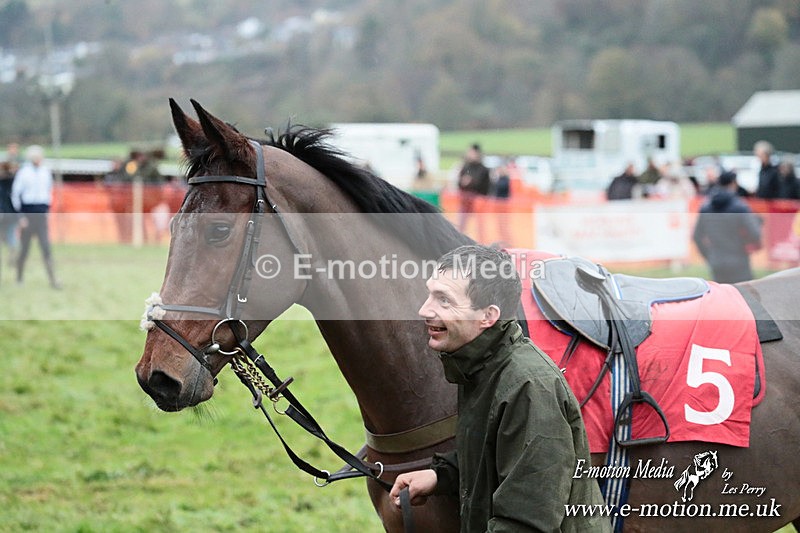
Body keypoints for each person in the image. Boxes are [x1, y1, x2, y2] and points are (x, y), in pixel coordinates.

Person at [389, 245, 610, 532]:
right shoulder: (478, 364)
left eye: (444, 300)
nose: (424, 310)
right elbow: (497, 454)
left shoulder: (529, 387)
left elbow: (528, 521)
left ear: (487, 316)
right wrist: (440, 476)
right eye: (431, 293)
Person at [693, 171, 762, 284]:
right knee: (743, 298)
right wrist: (746, 245)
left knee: (722, 298)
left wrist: (709, 255)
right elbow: (755, 233)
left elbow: (696, 236)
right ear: (733, 183)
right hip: (738, 261)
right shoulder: (740, 207)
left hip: (717, 262)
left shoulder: (706, 207)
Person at [11, 145, 61, 289]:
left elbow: (49, 191)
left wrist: (48, 210)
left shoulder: (45, 172)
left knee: (46, 248)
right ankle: (19, 279)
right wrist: (20, 216)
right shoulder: (24, 172)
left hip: (41, 214)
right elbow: (16, 195)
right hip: (27, 214)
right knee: (24, 249)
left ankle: (53, 280)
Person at [457, 144, 490, 240]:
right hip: (465, 201)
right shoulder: (465, 167)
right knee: (462, 225)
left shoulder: (484, 169)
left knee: (480, 227)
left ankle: (482, 244)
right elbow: (460, 183)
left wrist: (470, 182)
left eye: (471, 152)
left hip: (479, 202)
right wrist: (464, 182)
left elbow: (485, 186)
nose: (469, 154)